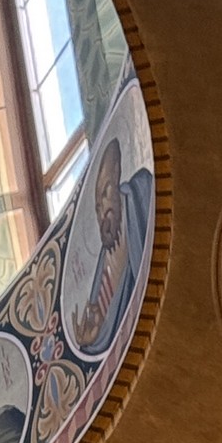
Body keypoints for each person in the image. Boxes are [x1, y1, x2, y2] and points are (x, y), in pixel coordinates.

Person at [70, 144, 152, 355]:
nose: (102, 212)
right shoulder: (104, 258)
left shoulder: (139, 197)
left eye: (106, 192)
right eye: (97, 207)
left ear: (117, 183)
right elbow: (110, 327)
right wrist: (92, 340)